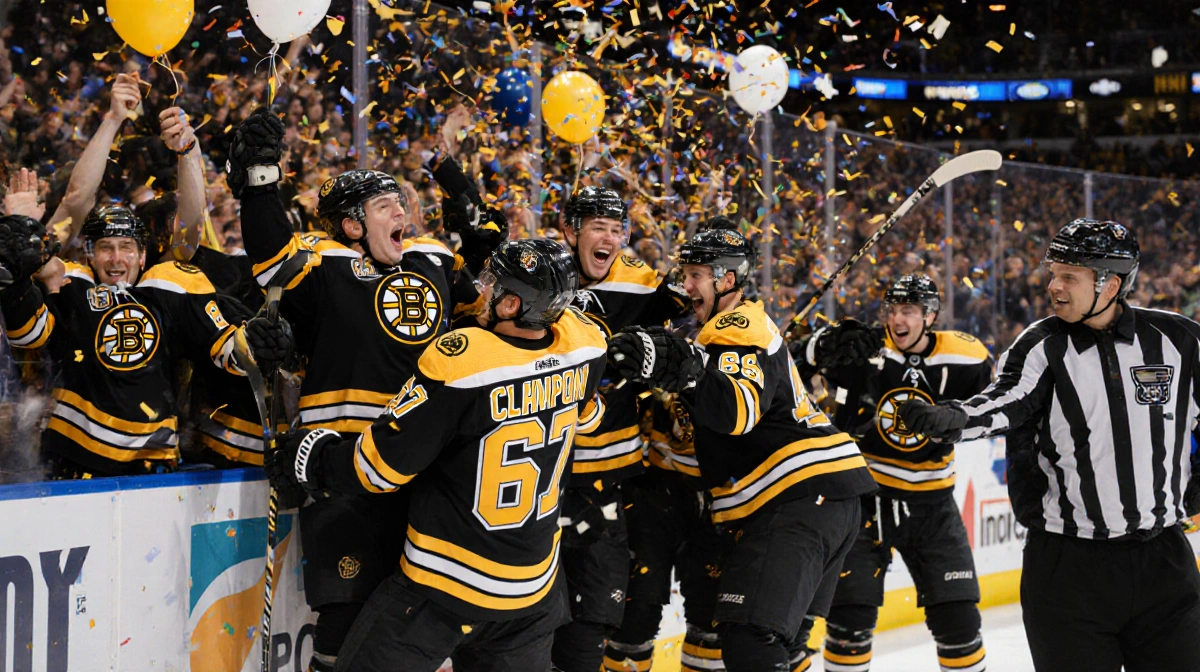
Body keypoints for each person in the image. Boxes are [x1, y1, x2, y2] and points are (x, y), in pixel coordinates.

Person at [227, 108, 500, 671]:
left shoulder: (432, 259)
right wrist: (259, 175)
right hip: (342, 467)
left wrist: (452, 176)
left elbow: (490, 290)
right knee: (347, 615)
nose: (402, 212)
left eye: (401, 203)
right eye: (385, 207)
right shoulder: (322, 264)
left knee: (424, 615)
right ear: (351, 226)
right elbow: (267, 249)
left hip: (427, 468)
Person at [265, 239, 607, 671]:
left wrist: (312, 458)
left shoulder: (463, 360)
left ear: (510, 305)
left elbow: (379, 468)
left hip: (445, 587)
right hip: (533, 592)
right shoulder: (585, 345)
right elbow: (589, 415)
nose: (482, 291)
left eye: (494, 285)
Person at [898, 219, 1200, 672]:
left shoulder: (1180, 341)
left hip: (1165, 568)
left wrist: (1194, 492)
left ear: (1110, 284)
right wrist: (954, 418)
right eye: (1053, 273)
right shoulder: (1041, 346)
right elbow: (1006, 401)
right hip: (1068, 573)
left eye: (1069, 277)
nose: (1054, 287)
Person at [609, 227, 878, 672]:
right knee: (779, 646)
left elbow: (738, 412)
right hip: (825, 497)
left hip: (796, 498)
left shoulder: (734, 326)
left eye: (696, 275)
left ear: (728, 280)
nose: (686, 285)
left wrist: (689, 369)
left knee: (750, 639)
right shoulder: (722, 330)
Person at [796, 275, 992, 672]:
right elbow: (793, 372)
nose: (897, 319)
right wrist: (820, 345)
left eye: (909, 311)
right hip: (866, 503)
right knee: (849, 624)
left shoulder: (966, 357)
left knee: (960, 622)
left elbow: (996, 410)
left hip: (934, 508)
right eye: (893, 309)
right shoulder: (867, 347)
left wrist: (959, 417)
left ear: (930, 316)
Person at [0, 209, 288, 477]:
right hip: (76, 458)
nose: (116, 258)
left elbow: (224, 348)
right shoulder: (72, 287)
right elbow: (29, 334)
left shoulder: (168, 290)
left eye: (126, 247)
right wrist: (16, 281)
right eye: (105, 248)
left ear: (141, 255)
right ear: (91, 255)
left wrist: (256, 344)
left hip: (153, 462)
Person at [552, 186, 691, 672]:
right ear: (570, 231)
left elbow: (695, 306)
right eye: (598, 227)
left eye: (618, 230)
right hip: (543, 478)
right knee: (531, 622)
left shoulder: (641, 283)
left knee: (592, 624)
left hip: (609, 481)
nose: (610, 238)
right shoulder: (541, 272)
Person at [603, 381, 726, 672]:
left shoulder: (754, 347)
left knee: (714, 618)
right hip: (650, 488)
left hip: (726, 493)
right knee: (634, 615)